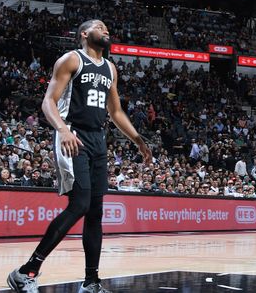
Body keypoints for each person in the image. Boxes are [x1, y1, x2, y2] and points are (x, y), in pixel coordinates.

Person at [8, 20, 152, 293]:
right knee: (80, 204)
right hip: (73, 134)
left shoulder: (110, 68)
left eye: (109, 27)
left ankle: (91, 281)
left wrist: (137, 140)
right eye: (100, 27)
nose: (107, 30)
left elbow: (116, 111)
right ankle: (27, 270)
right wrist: (62, 130)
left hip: (98, 139)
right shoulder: (71, 59)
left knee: (95, 212)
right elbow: (48, 101)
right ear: (85, 34)